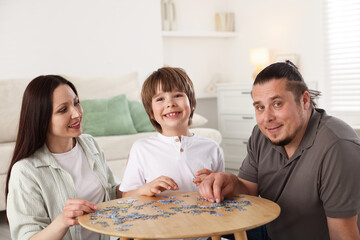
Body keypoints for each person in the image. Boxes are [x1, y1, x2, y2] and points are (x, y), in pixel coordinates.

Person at [196, 61, 360, 240]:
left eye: (277, 104)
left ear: (305, 101)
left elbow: (343, 234)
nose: (267, 118)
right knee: (201, 227)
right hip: (272, 228)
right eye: (260, 107)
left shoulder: (337, 146)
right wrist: (230, 181)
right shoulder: (262, 134)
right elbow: (249, 190)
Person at [6, 75, 121, 240]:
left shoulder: (88, 143)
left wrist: (140, 189)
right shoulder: (25, 171)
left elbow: (111, 192)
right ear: (41, 119)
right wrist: (63, 221)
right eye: (63, 109)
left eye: (76, 102)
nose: (77, 113)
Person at [119, 67, 224, 197]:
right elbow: (126, 196)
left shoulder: (212, 147)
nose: (170, 103)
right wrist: (145, 189)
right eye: (160, 99)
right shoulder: (141, 149)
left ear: (191, 104)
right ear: (151, 112)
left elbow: (221, 192)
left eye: (178, 95)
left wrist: (216, 186)